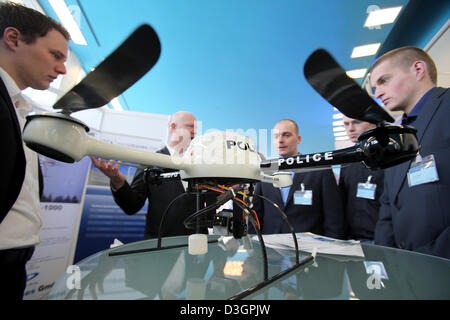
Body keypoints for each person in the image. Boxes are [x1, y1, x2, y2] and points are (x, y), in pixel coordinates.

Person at [0, 2, 70, 300]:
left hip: (13, 263)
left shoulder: (19, 110)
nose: (63, 68)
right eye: (55, 55)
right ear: (14, 39)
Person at [370, 46, 450, 259]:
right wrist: (385, 258)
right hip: (405, 269)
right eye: (374, 88)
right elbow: (388, 205)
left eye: (383, 81)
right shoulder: (393, 136)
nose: (377, 94)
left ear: (418, 69)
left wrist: (435, 258)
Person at [92, 111, 215, 239]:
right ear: (173, 127)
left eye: (196, 128)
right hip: (161, 248)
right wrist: (117, 181)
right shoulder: (151, 161)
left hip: (198, 249)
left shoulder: (200, 164)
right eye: (190, 126)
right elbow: (131, 206)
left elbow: (211, 208)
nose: (195, 131)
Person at [251, 119, 345, 238]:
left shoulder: (319, 170)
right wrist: (253, 245)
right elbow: (256, 214)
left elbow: (334, 218)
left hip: (308, 250)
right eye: (276, 136)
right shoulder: (266, 170)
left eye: (286, 135)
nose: (280, 140)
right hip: (271, 248)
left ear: (298, 139)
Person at [338, 115, 382, 242]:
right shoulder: (347, 160)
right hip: (351, 239)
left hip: (381, 240)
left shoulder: (388, 158)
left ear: (373, 124)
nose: (350, 129)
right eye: (346, 124)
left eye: (356, 122)